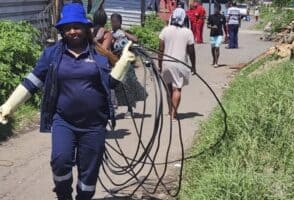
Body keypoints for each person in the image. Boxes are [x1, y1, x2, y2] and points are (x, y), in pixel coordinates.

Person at [0, 3, 135, 200]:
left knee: (89, 173)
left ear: (86, 28)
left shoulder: (97, 55)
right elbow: (32, 81)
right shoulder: (53, 54)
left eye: (77, 26)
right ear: (62, 30)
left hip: (94, 124)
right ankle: (63, 195)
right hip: (64, 121)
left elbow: (110, 84)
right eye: (67, 27)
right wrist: (9, 105)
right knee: (60, 160)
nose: (72, 31)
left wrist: (123, 64)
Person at [159, 7, 196, 120]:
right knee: (177, 89)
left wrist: (160, 64)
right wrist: (193, 66)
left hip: (167, 63)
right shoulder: (188, 32)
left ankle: (170, 110)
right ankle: (174, 113)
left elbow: (160, 50)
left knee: (168, 88)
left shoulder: (165, 30)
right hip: (180, 64)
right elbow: (191, 52)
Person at [110, 13, 147, 118]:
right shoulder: (111, 34)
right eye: (112, 21)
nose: (114, 24)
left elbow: (135, 39)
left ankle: (130, 110)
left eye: (116, 21)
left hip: (127, 66)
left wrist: (124, 33)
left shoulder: (125, 33)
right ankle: (114, 108)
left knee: (129, 87)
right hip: (116, 65)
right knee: (118, 88)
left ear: (120, 22)